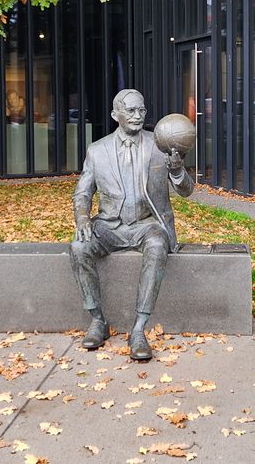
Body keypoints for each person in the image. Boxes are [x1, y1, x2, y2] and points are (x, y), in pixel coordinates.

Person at [71, 89, 193, 361]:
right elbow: (82, 193)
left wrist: (176, 171)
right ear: (116, 115)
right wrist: (82, 218)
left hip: (146, 225)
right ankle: (97, 320)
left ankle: (138, 329)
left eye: (142, 111)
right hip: (108, 226)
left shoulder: (160, 145)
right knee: (79, 247)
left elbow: (186, 191)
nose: (138, 116)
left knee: (158, 245)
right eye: (131, 111)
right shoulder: (97, 150)